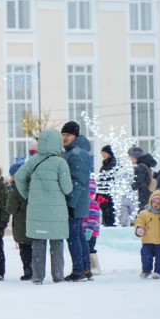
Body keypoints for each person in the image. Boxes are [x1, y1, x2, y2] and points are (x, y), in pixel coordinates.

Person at [15, 129, 73, 286]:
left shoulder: (34, 160)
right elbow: (67, 188)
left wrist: (28, 194)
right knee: (57, 244)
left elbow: (19, 177)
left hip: (37, 209)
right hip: (56, 210)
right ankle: (58, 276)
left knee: (38, 245)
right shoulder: (61, 162)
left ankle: (37, 277)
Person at [61, 121, 93, 282]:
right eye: (63, 135)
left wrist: (71, 204)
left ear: (75, 136)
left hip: (75, 203)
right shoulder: (72, 152)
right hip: (77, 202)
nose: (65, 138)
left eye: (68, 135)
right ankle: (86, 269)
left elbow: (77, 181)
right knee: (78, 235)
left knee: (73, 236)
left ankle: (79, 270)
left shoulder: (77, 153)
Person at [134, 190, 160, 279]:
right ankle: (146, 270)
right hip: (148, 240)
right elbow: (139, 222)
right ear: (151, 201)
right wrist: (139, 229)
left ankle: (159, 272)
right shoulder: (144, 213)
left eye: (159, 203)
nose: (156, 204)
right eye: (154, 202)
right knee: (146, 256)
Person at [6, 163, 33, 280]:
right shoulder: (33, 185)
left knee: (24, 249)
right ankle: (37, 269)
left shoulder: (16, 189)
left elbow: (10, 208)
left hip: (21, 224)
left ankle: (28, 270)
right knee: (36, 248)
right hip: (34, 221)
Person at [96, 145, 117, 226]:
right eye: (102, 153)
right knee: (105, 210)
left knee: (108, 210)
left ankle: (109, 225)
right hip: (103, 191)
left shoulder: (112, 165)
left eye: (104, 153)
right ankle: (107, 224)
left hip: (108, 192)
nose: (103, 155)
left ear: (109, 153)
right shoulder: (106, 164)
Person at [85, 178, 102, 275]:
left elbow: (94, 219)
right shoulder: (88, 203)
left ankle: (95, 266)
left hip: (91, 232)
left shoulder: (92, 203)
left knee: (90, 249)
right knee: (87, 249)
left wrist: (89, 230)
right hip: (87, 231)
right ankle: (88, 266)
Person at [128, 147, 153, 212]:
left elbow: (140, 181)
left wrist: (132, 187)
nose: (131, 160)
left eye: (131, 157)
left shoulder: (141, 166)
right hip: (148, 191)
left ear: (135, 157)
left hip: (144, 193)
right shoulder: (146, 165)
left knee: (143, 212)